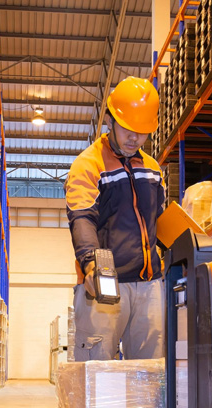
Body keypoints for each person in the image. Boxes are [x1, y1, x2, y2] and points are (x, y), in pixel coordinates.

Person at [64, 76, 165, 361]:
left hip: (149, 287)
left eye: (143, 132)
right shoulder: (89, 164)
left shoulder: (153, 169)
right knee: (96, 377)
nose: (135, 138)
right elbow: (82, 218)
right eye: (128, 129)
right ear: (110, 121)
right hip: (106, 284)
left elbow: (160, 222)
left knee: (151, 378)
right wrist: (90, 264)